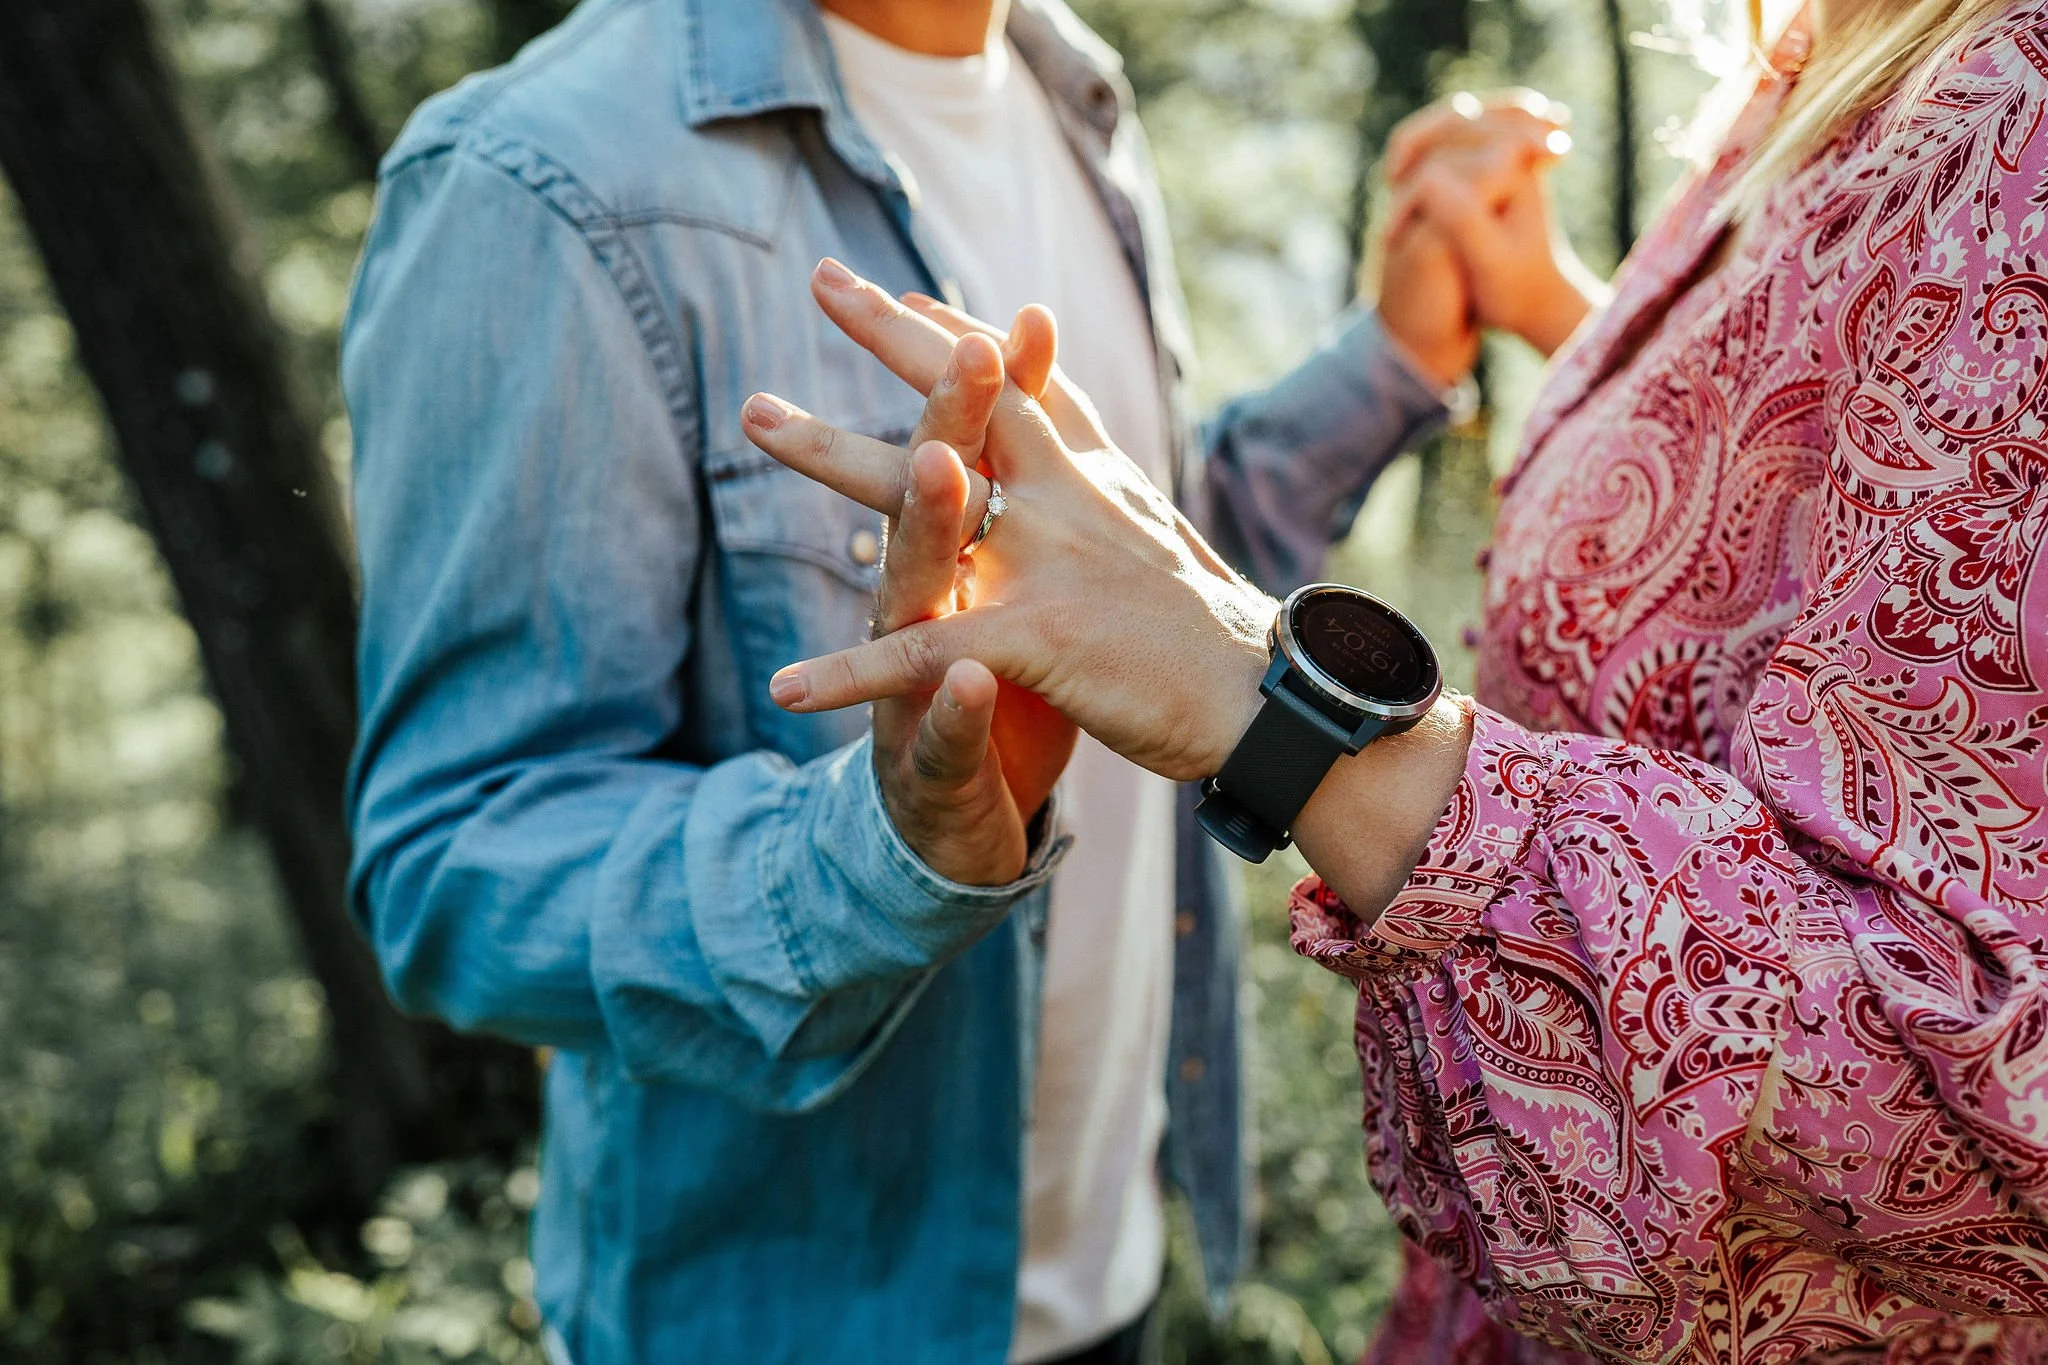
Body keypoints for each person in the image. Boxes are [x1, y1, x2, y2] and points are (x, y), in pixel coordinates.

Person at [746, 0, 2048, 1359]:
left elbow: (1986, 1081)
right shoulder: (1838, 49)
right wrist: (1562, 326)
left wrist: (1268, 700)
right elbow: (1828, 547)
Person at [339, 0, 1520, 1359]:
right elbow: (457, 862)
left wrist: (1395, 361)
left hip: (1116, 1268)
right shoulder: (539, 181)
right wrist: (891, 854)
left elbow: (1136, 586)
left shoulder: (1066, 86)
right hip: (799, 1324)